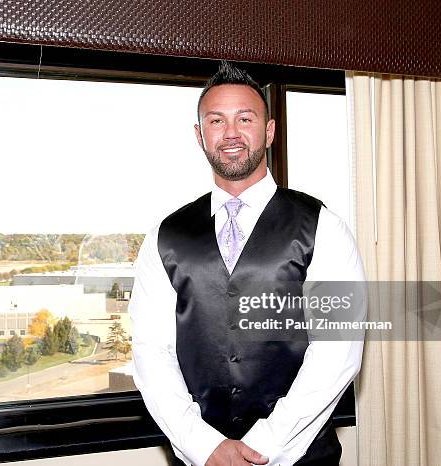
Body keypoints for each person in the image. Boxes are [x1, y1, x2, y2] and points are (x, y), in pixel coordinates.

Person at [129, 61, 366, 466]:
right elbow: (151, 352)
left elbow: (338, 351)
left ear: (269, 131)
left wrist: (266, 446)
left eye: (245, 118)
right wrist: (204, 445)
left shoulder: (325, 226)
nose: (232, 133)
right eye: (216, 121)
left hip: (301, 457)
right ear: (199, 135)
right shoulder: (164, 236)